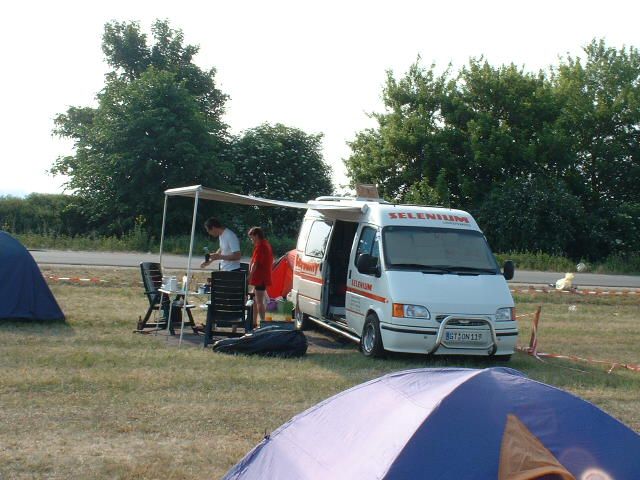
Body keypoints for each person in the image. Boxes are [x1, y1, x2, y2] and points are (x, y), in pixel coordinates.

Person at [248, 226, 274, 328]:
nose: (251, 240)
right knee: (254, 300)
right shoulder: (264, 244)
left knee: (259, 301)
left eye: (252, 237)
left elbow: (256, 263)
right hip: (260, 277)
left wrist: (250, 275)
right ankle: (254, 322)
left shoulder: (261, 246)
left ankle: (263, 323)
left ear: (256, 235)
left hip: (260, 278)